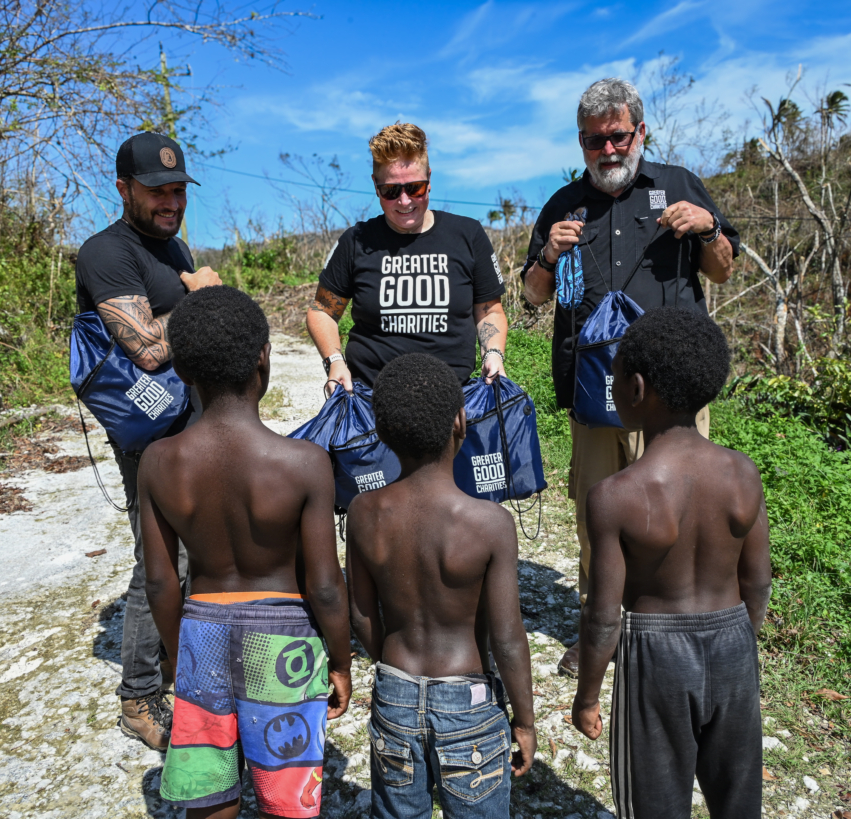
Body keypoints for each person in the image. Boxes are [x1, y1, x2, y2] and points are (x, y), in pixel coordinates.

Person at [520, 78, 741, 677]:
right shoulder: (563, 206)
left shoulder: (680, 186)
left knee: (678, 507)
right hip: (594, 386)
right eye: (594, 140)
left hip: (673, 392)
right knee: (597, 507)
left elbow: (720, 272)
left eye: (618, 135)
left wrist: (709, 229)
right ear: (583, 142)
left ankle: (675, 621)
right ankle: (602, 626)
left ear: (640, 131)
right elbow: (530, 297)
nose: (608, 149)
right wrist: (547, 257)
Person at [139, 286, 352, 819]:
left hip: (202, 631)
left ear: (183, 372)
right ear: (263, 358)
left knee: (210, 789)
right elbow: (325, 585)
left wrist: (175, 651)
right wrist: (342, 660)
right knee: (288, 794)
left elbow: (162, 583)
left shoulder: (159, 462)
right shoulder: (304, 463)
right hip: (284, 638)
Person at [569, 307, 771, 819]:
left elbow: (603, 615)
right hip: (732, 645)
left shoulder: (615, 496)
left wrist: (587, 695)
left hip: (655, 656)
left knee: (653, 805)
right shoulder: (742, 473)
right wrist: (739, 646)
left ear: (636, 388)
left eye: (613, 377)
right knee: (738, 801)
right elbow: (758, 578)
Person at [75, 132, 222, 749]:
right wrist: (197, 299)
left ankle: (174, 663)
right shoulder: (105, 253)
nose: (170, 202)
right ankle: (138, 697)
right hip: (146, 433)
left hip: (186, 422)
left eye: (178, 191)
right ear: (124, 188)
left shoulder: (174, 246)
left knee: (198, 547)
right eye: (157, 191)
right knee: (161, 557)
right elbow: (147, 349)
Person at [346, 353, 537, 819]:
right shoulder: (490, 523)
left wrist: (389, 666)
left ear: (384, 432)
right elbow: (509, 639)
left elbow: (361, 614)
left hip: (395, 691)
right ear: (460, 421)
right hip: (467, 704)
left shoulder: (364, 513)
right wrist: (525, 721)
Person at [308, 123, 508, 398]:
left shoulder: (468, 234)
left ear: (429, 178)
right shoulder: (356, 241)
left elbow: (489, 311)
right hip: (371, 400)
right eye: (391, 191)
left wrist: (494, 353)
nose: (404, 201)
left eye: (415, 188)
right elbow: (322, 311)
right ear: (375, 187)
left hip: (451, 401)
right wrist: (335, 362)